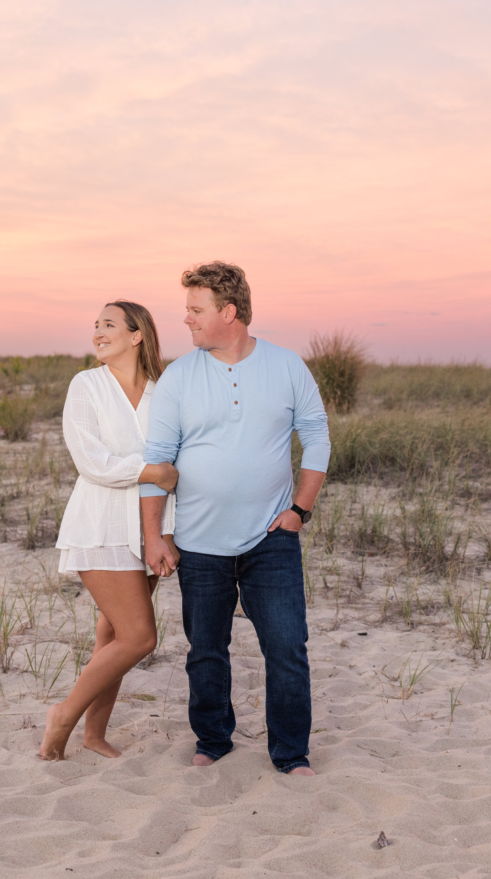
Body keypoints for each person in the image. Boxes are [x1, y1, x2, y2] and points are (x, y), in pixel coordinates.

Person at [139, 262, 329, 776]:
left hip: (272, 539)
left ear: (228, 312)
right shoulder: (179, 376)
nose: (187, 320)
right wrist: (153, 535)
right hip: (199, 544)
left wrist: (299, 510)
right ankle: (212, 740)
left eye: (195, 310)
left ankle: (291, 753)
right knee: (206, 651)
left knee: (287, 647)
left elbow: (316, 436)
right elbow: (158, 461)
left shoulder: (287, 366)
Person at [40, 300, 178, 761]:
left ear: (137, 335)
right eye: (95, 325)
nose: (97, 332)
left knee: (113, 637)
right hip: (100, 523)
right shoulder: (87, 385)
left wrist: (166, 532)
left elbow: (177, 462)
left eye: (109, 324)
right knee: (140, 637)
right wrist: (152, 472)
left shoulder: (164, 391)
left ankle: (93, 734)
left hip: (149, 529)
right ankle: (63, 715)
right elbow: (92, 462)